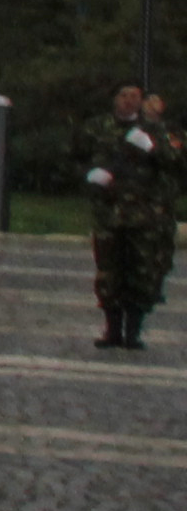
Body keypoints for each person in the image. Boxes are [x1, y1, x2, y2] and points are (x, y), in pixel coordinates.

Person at [88, 83, 172, 353]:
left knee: (141, 273)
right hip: (109, 215)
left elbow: (174, 162)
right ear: (115, 99)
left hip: (143, 216)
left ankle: (133, 332)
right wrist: (91, 177)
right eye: (123, 95)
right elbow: (78, 156)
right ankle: (112, 329)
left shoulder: (154, 131)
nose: (128, 101)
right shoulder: (99, 127)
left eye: (134, 96)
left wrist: (152, 148)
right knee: (109, 272)